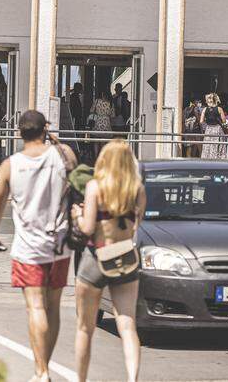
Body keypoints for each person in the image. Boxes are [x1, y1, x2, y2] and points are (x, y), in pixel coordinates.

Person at [0, 110, 78, 382]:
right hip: (59, 243)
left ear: (19, 132)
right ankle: (44, 365)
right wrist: (54, 140)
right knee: (53, 307)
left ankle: (41, 371)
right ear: (44, 129)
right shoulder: (62, 155)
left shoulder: (11, 165)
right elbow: (74, 164)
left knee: (35, 307)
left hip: (28, 247)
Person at [72, 140, 146, 382]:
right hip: (124, 256)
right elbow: (137, 224)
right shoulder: (137, 189)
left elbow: (87, 228)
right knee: (127, 324)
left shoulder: (95, 187)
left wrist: (78, 214)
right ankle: (132, 378)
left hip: (96, 256)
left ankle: (81, 378)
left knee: (85, 327)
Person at [200, 92, 228, 160]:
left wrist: (206, 123)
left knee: (208, 146)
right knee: (217, 145)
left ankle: (207, 160)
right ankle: (218, 160)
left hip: (209, 129)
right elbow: (224, 121)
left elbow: (201, 121)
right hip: (217, 129)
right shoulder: (219, 109)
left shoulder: (205, 109)